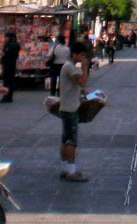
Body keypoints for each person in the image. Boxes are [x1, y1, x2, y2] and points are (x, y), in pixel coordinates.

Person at [59, 41, 90, 182]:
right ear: (75, 54)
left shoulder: (69, 66)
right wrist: (85, 67)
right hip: (70, 109)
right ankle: (71, 171)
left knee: (65, 140)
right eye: (81, 55)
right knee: (71, 141)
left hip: (66, 107)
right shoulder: (70, 67)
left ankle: (64, 168)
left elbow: (78, 85)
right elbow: (82, 81)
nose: (83, 57)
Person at [0, 32, 20, 103]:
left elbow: (6, 55)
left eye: (6, 37)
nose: (4, 39)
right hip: (12, 64)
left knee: (6, 82)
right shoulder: (16, 45)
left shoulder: (9, 45)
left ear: (9, 38)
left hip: (7, 65)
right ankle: (9, 97)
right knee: (10, 81)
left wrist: (2, 54)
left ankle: (6, 97)